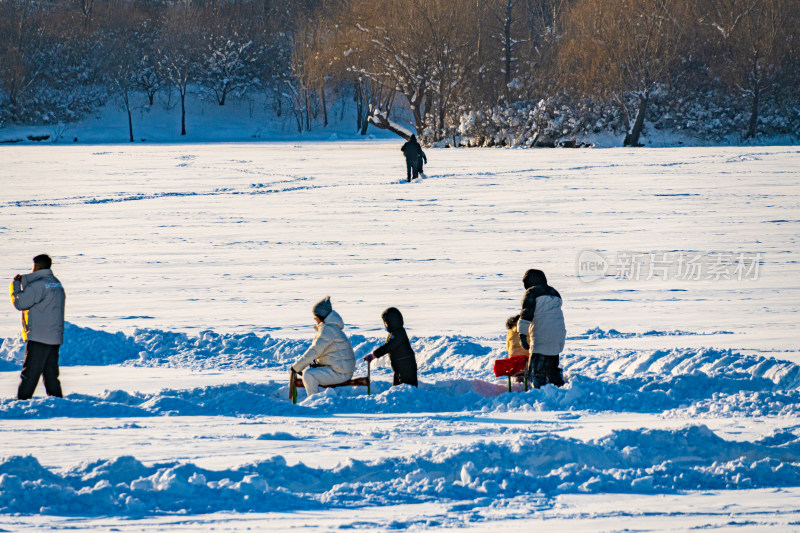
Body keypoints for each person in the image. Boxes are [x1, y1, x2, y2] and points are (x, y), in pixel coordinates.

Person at [9, 254, 66, 400]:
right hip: (54, 336)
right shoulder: (56, 283)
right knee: (51, 374)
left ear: (37, 266)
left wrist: (15, 286)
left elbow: (20, 303)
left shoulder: (39, 285)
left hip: (39, 336)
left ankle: (22, 402)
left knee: (30, 374)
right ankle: (57, 402)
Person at [290, 296, 356, 396]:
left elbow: (315, 350)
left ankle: (314, 402)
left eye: (315, 315)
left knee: (309, 375)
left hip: (340, 373)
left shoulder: (328, 330)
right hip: (341, 369)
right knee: (311, 372)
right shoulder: (330, 328)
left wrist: (296, 367)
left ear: (321, 315)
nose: (314, 318)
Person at [517, 269, 566, 388]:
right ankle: (558, 388)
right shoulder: (555, 292)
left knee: (536, 370)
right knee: (552, 366)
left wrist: (522, 334)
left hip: (541, 335)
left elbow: (526, 314)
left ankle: (538, 393)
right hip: (558, 334)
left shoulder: (532, 292)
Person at [364, 307, 417, 386]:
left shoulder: (398, 333)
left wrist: (374, 354)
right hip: (400, 366)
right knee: (397, 389)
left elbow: (389, 346)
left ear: (391, 322)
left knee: (407, 389)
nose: (385, 325)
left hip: (406, 366)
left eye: (386, 323)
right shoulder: (395, 333)